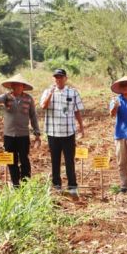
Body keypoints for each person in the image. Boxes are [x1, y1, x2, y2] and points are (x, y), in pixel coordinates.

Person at [40, 68, 85, 196]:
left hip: (68, 132)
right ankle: (56, 185)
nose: (58, 79)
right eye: (56, 77)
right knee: (55, 160)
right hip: (53, 132)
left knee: (69, 160)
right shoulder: (47, 91)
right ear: (54, 79)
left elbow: (77, 111)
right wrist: (50, 94)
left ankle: (72, 186)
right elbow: (43, 106)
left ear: (65, 78)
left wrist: (81, 127)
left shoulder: (73, 92)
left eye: (61, 77)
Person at [0, 74, 41, 187]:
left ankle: (25, 182)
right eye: (15, 85)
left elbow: (33, 116)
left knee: (24, 159)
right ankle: (15, 183)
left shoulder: (29, 99)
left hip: (23, 135)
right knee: (11, 160)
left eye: (20, 85)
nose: (17, 87)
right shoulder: (6, 96)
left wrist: (37, 133)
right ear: (12, 86)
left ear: (23, 87)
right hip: (9, 135)